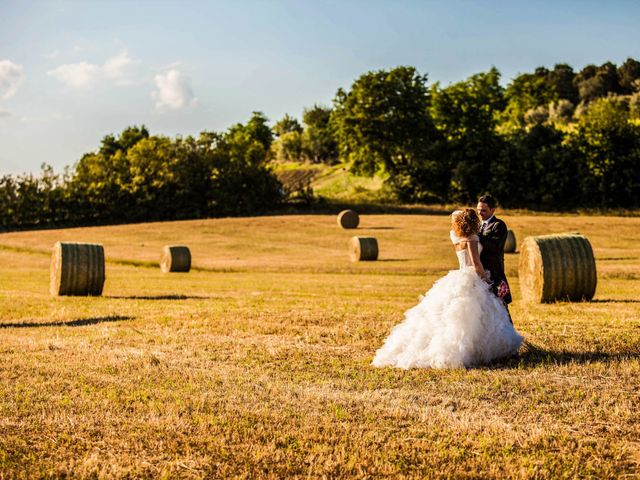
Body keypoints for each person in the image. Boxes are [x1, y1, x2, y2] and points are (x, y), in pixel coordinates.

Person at [371, 208, 522, 369]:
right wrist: (487, 280)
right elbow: (476, 264)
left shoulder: (456, 238)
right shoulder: (471, 239)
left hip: (459, 274)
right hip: (471, 276)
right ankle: (471, 352)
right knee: (473, 316)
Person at [477, 194, 512, 307]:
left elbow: (495, 247)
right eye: (478, 210)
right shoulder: (478, 225)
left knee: (499, 303)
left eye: (483, 210)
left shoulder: (499, 225)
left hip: (494, 271)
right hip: (479, 270)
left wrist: (477, 236)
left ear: (492, 210)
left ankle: (507, 324)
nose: (479, 213)